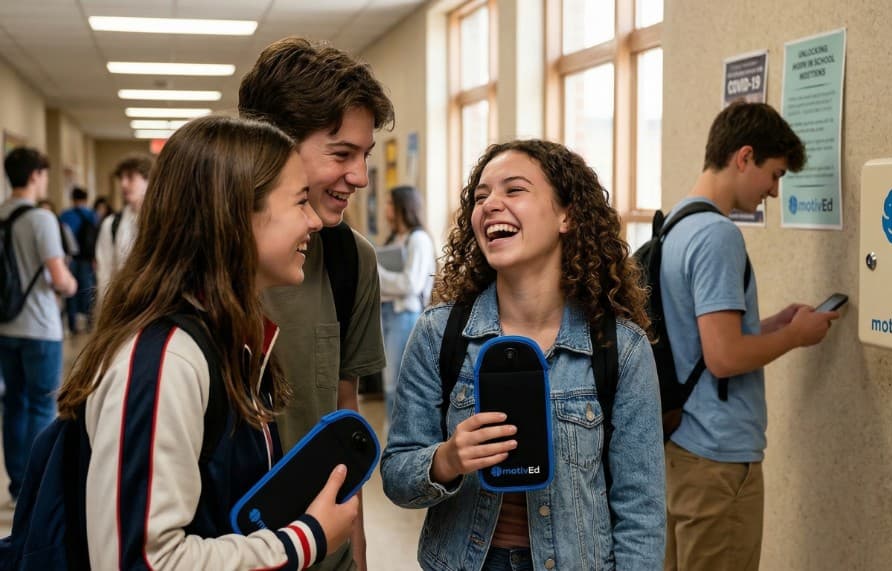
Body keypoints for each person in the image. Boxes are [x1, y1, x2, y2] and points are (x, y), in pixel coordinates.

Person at [56, 115, 360, 569]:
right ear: (237, 216)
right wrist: (303, 540)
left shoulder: (230, 343)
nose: (314, 220)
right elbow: (143, 560)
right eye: (299, 202)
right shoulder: (165, 361)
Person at [381, 140, 666, 571]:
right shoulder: (440, 333)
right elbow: (398, 475)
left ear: (566, 215)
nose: (490, 204)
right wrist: (447, 460)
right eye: (480, 197)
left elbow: (641, 511)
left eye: (514, 190)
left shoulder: (620, 349)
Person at [660, 102, 839, 571]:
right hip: (718, 460)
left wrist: (772, 325)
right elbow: (723, 357)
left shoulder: (677, 224)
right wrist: (797, 337)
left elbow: (702, 340)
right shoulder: (719, 236)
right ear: (744, 157)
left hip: (681, 450)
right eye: (774, 174)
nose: (774, 192)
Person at [239, 36, 395, 571]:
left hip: (321, 550)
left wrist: (357, 560)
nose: (361, 177)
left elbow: (343, 418)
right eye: (342, 153)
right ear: (274, 146)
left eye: (365, 155)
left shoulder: (352, 261)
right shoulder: (196, 259)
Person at [0, 147, 77, 503]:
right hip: (41, 328)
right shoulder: (41, 219)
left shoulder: (2, 215)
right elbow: (60, 278)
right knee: (42, 406)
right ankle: (36, 489)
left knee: (13, 404)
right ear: (35, 175)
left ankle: (17, 486)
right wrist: (73, 286)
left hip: (6, 326)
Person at [377, 185, 435, 422]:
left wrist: (378, 274)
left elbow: (411, 284)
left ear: (403, 206)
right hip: (388, 312)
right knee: (388, 384)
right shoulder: (394, 238)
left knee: (397, 384)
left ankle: (398, 440)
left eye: (389, 203)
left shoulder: (418, 239)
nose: (385, 209)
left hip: (406, 316)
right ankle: (392, 436)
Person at [95, 153, 151, 303]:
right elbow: (104, 274)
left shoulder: (165, 222)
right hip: (121, 308)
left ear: (148, 180)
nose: (123, 184)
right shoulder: (112, 224)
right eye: (121, 178)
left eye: (131, 177)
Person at [60, 186, 98, 333]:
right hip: (87, 258)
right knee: (87, 288)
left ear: (72, 199)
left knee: (71, 292)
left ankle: (72, 323)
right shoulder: (92, 215)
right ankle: (89, 321)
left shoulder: (65, 215)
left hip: (71, 258)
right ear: (86, 199)